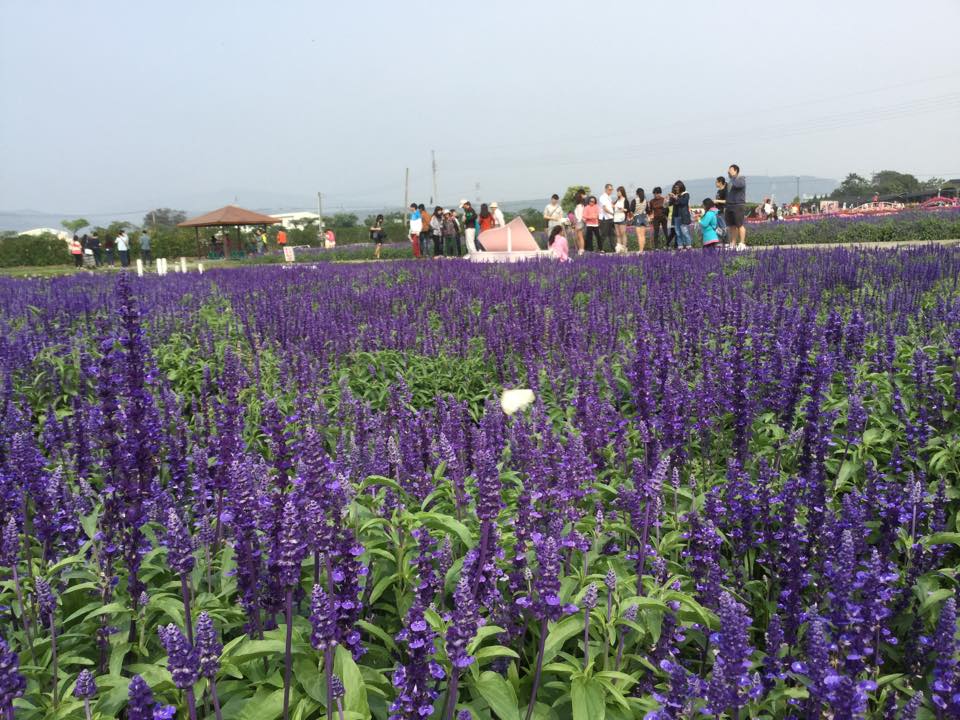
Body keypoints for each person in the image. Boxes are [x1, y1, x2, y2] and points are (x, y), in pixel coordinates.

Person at [725, 164, 747, 250]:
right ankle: (733, 243)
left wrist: (733, 177)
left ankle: (741, 243)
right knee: (732, 226)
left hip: (738, 205)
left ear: (735, 171)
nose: (728, 171)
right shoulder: (730, 181)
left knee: (739, 224)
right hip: (730, 205)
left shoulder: (740, 179)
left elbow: (739, 185)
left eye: (730, 170)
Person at [668, 181, 692, 250]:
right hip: (676, 216)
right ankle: (680, 246)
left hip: (683, 216)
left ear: (681, 187)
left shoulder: (686, 194)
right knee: (678, 232)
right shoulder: (675, 195)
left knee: (685, 231)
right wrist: (670, 198)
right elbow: (670, 204)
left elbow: (684, 202)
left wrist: (676, 198)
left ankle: (688, 245)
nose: (676, 189)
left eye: (677, 187)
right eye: (675, 187)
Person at [598, 183, 615, 252]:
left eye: (611, 190)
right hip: (604, 218)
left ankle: (613, 248)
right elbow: (604, 208)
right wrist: (613, 213)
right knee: (604, 234)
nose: (610, 191)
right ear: (606, 189)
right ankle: (600, 248)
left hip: (610, 218)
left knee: (612, 234)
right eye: (609, 189)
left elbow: (612, 206)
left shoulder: (609, 197)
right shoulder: (602, 197)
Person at [613, 186, 629, 253]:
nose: (617, 193)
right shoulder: (617, 200)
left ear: (622, 192)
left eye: (619, 192)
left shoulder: (625, 200)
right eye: (617, 192)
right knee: (618, 234)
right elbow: (614, 208)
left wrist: (622, 209)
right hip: (616, 218)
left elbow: (627, 209)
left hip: (622, 218)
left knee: (623, 234)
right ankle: (619, 249)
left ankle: (624, 248)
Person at [631, 188, 647, 253]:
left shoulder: (634, 200)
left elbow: (632, 209)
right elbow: (647, 209)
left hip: (637, 217)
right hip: (644, 217)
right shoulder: (645, 200)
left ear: (636, 193)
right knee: (643, 235)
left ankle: (640, 250)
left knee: (639, 235)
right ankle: (642, 249)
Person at [572, 190, 586, 255]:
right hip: (578, 222)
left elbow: (580, 216)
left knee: (580, 236)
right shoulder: (579, 205)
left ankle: (581, 249)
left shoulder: (580, 206)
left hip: (579, 222)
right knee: (578, 236)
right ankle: (580, 249)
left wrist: (577, 225)